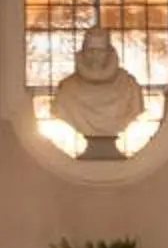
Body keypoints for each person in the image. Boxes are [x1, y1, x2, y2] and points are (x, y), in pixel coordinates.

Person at [51, 26, 145, 154]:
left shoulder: (129, 86)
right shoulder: (66, 89)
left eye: (101, 51)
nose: (95, 56)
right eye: (90, 51)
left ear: (109, 53)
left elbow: (136, 109)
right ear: (83, 53)